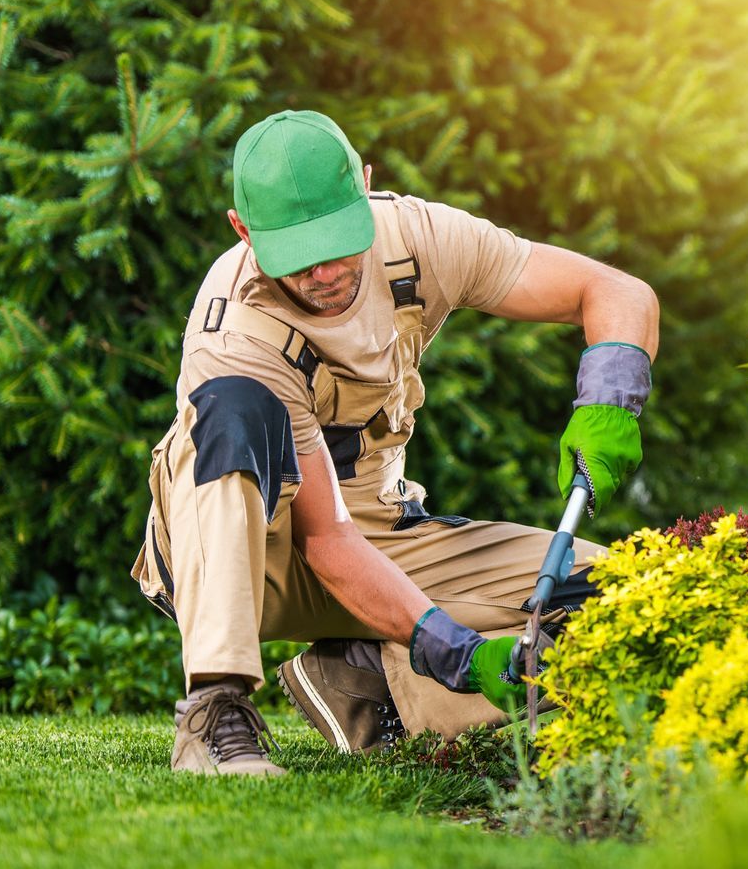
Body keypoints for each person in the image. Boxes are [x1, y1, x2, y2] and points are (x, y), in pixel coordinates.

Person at [130, 110, 657, 776]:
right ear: (243, 230)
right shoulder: (236, 330)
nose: (324, 270)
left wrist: (609, 402)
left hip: (378, 534)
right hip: (251, 557)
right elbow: (325, 541)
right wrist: (455, 648)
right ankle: (215, 710)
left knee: (619, 593)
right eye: (298, 252)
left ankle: (366, 681)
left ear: (367, 186)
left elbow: (612, 289)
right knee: (231, 412)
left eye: (337, 238)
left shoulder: (420, 239)